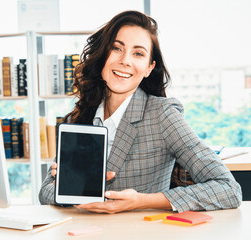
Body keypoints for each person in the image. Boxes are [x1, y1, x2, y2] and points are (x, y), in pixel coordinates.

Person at [39, 10, 242, 213]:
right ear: (102, 56)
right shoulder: (83, 115)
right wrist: (68, 185)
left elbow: (228, 189)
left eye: (138, 53)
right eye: (117, 48)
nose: (125, 60)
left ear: (148, 67)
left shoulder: (163, 115)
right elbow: (46, 192)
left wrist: (142, 201)